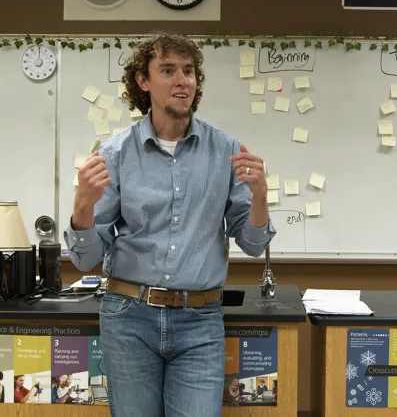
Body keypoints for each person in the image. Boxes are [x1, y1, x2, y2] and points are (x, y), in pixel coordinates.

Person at [64, 32, 275, 417]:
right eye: (168, 70)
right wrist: (82, 207)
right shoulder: (115, 154)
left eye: (189, 71)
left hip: (200, 321)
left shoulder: (226, 150)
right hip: (128, 318)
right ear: (143, 82)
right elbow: (85, 259)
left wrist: (260, 196)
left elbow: (252, 242)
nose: (183, 80)